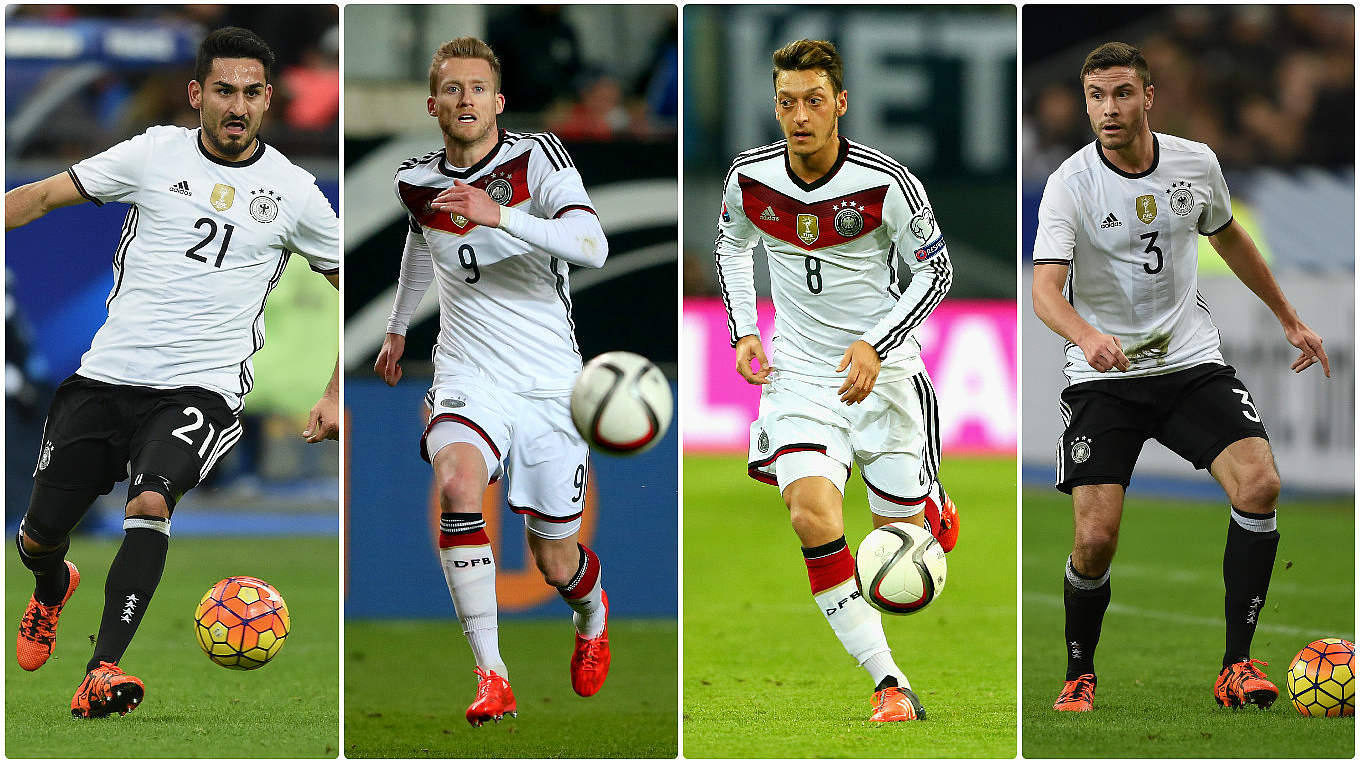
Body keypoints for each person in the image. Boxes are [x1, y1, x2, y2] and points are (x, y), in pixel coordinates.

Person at [4, 26, 340, 718]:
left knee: (150, 501)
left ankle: (102, 670)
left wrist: (336, 391)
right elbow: (36, 198)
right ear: (197, 94)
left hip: (202, 388)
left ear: (269, 100)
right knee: (38, 535)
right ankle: (49, 586)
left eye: (251, 93)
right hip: (106, 377)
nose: (237, 105)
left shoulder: (297, 193)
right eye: (223, 91)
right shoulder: (153, 153)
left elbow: (355, 284)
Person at [1031, 42, 1329, 713]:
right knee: (1094, 539)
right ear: (1086, 102)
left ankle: (1236, 665)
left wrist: (1288, 317)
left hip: (1189, 363)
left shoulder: (1196, 163)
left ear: (1148, 97)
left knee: (1260, 484)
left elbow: (1228, 237)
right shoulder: (1071, 184)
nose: (1109, 109)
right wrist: (1088, 336)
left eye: (1122, 94)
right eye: (1097, 97)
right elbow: (1045, 292)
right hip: (1102, 377)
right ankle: (1080, 671)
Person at [714, 39, 960, 723]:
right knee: (810, 515)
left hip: (885, 377)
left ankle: (930, 505)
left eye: (813, 101)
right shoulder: (750, 178)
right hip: (799, 375)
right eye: (787, 102)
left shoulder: (887, 183)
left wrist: (876, 344)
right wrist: (744, 330)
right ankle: (888, 682)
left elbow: (936, 274)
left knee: (901, 551)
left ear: (841, 104)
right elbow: (731, 247)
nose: (799, 116)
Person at [373, 36, 612, 728]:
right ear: (433, 104)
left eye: (478, 88)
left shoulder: (539, 158)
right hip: (469, 370)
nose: (465, 99)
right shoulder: (415, 179)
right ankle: (492, 675)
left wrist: (500, 213)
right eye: (452, 89)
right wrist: (397, 326)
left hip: (549, 382)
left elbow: (593, 246)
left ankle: (592, 615)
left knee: (554, 558)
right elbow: (423, 240)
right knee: (456, 483)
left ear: (498, 101)